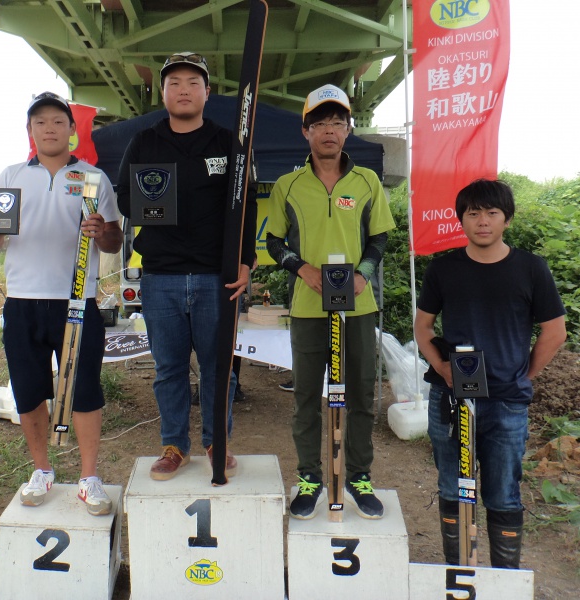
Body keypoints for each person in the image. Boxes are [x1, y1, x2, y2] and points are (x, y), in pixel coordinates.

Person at [116, 51, 257, 481]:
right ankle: (174, 444)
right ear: (162, 93)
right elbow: (125, 198)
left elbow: (247, 204)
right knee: (169, 369)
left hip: (217, 277)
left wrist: (247, 262)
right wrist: (150, 202)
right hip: (161, 278)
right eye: (174, 82)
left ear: (207, 92)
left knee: (219, 369)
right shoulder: (145, 141)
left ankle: (218, 441)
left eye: (193, 83)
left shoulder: (227, 143)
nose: (183, 89)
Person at [0, 92, 123, 514]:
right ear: (30, 132)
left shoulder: (94, 178)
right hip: (23, 302)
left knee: (84, 390)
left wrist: (101, 232)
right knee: (28, 390)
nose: (49, 128)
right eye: (40, 122)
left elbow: (114, 238)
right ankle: (41, 470)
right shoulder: (10, 175)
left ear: (71, 131)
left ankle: (89, 476)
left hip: (77, 300)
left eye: (57, 122)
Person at [414, 179, 566, 568]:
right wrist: (441, 367)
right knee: (453, 485)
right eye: (474, 213)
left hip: (506, 403)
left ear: (507, 220)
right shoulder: (444, 269)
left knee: (503, 493)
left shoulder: (531, 268)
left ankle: (503, 579)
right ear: (461, 219)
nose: (483, 221)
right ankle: (459, 572)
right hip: (450, 397)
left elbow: (554, 331)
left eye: (492, 213)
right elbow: (423, 327)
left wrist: (525, 374)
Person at [266, 84, 395, 520]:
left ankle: (359, 477)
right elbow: (273, 241)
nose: (329, 130)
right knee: (307, 397)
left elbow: (379, 238)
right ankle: (309, 478)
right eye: (320, 122)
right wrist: (302, 268)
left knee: (359, 394)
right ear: (306, 131)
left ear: (348, 129)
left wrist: (363, 274)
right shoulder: (288, 184)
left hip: (359, 307)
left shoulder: (367, 181)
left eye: (338, 122)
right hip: (307, 307)